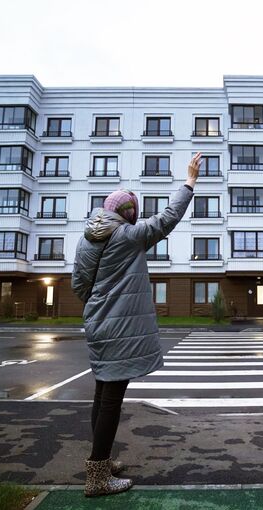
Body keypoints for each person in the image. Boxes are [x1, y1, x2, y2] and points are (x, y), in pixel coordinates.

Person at [71, 152, 201, 497]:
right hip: (120, 328)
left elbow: (79, 285)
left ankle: (101, 458)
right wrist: (189, 182)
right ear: (128, 214)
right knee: (112, 398)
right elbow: (167, 219)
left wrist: (100, 306)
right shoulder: (128, 236)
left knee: (102, 392)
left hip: (97, 323)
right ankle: (97, 477)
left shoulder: (88, 238)